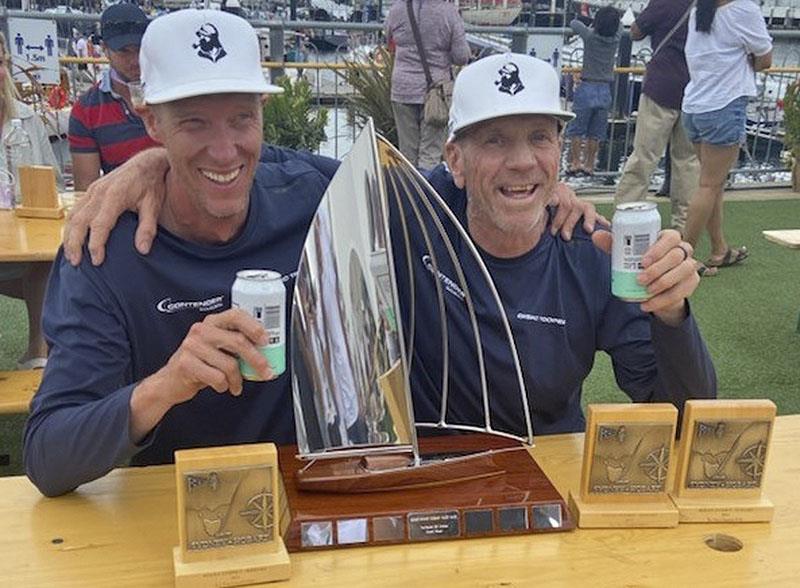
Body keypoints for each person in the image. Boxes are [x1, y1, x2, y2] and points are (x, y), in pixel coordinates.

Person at [27, 12, 596, 498]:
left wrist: (546, 187)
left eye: (242, 118)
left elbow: (450, 191)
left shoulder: (316, 194)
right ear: (149, 119)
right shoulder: (104, 252)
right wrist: (166, 384)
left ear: (261, 114)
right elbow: (49, 455)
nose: (225, 149)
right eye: (192, 122)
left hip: (320, 496)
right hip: (188, 508)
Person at [407, 54, 715, 435]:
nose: (522, 161)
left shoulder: (592, 250)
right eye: (494, 140)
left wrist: (671, 312)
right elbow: (312, 176)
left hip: (544, 471)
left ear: (558, 149)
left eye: (539, 137)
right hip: (428, 476)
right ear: (456, 160)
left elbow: (685, 418)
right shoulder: (417, 212)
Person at [681, 0, 772, 276]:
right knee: (709, 186)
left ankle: (720, 249)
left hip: (695, 107)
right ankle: (683, 257)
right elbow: (765, 59)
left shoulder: (700, 10)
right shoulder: (744, 9)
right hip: (724, 106)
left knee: (712, 185)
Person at [0, 32, 63, 370]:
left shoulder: (26, 119)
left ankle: (38, 352)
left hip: (25, 247)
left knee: (51, 260)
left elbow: (52, 183)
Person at [614, 0, 699, 232]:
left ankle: (626, 219)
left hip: (661, 87)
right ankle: (683, 231)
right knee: (688, 163)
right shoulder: (710, 5)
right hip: (695, 90)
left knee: (644, 157)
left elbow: (635, 32)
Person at [68, 3, 158, 190]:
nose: (134, 60)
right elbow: (86, 189)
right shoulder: (85, 110)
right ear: (105, 49)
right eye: (124, 51)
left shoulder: (172, 95)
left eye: (140, 49)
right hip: (123, 209)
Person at [384, 0, 470, 169]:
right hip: (436, 92)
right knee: (430, 152)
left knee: (406, 153)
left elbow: (389, 41)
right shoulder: (448, 12)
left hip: (402, 88)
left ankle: (408, 192)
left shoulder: (397, 9)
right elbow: (461, 56)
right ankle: (425, 192)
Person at [565, 5, 621, 177]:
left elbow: (574, 23)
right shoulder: (616, 38)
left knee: (577, 129)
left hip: (587, 86)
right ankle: (589, 164)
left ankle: (575, 163)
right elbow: (619, 26)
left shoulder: (589, 36)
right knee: (596, 132)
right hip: (605, 88)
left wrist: (590, 22)